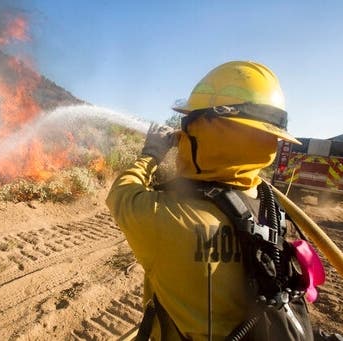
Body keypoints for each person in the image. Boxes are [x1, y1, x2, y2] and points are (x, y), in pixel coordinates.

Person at [106, 61, 316, 340]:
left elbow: (122, 193)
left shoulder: (170, 218)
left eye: (188, 122)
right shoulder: (270, 205)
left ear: (208, 130)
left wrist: (150, 154)